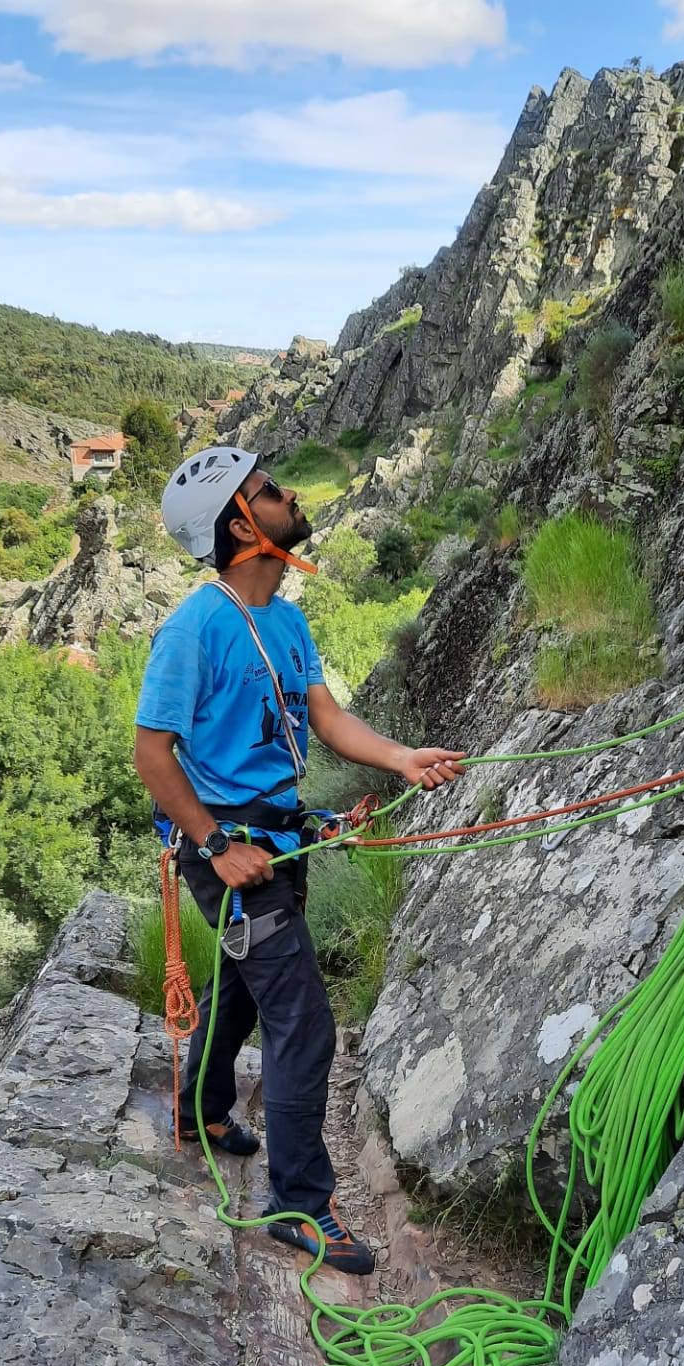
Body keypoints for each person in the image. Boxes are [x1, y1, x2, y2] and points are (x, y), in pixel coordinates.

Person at [133, 445, 464, 1277]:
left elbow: (325, 717)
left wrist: (399, 759)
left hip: (277, 838)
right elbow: (153, 754)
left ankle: (197, 1111)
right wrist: (214, 844)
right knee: (304, 1023)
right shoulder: (194, 629)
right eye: (269, 491)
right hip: (233, 851)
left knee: (244, 992)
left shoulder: (285, 618)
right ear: (241, 523)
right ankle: (300, 1207)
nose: (287, 496)